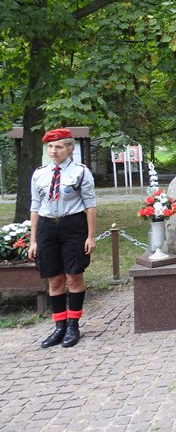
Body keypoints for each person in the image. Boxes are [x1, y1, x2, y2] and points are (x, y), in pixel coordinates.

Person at [28, 128, 97, 348]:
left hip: (73, 226)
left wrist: (91, 236)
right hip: (47, 228)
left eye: (58, 146)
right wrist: (33, 240)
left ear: (69, 149)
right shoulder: (39, 174)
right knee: (54, 279)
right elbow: (35, 206)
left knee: (74, 276)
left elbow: (90, 205)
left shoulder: (80, 172)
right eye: (50, 146)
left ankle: (73, 326)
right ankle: (59, 327)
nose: (53, 151)